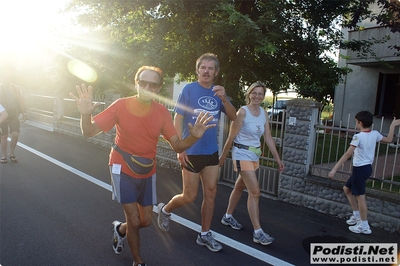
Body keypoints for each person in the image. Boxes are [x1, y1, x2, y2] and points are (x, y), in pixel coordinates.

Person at [70, 66, 215, 266]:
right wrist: (85, 114)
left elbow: (177, 145)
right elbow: (89, 131)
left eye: (153, 84)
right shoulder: (120, 105)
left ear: (159, 88)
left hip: (147, 170)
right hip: (121, 166)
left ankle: (120, 229)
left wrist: (193, 137)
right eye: (143, 83)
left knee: (145, 221)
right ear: (136, 83)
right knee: (135, 221)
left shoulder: (162, 112)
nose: (147, 87)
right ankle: (138, 261)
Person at [157, 53, 237, 252]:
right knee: (189, 196)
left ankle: (204, 234)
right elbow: (178, 119)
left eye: (211, 68)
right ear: (198, 70)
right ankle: (165, 210)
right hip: (191, 151)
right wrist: (180, 148)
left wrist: (224, 99)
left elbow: (234, 116)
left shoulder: (219, 93)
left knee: (211, 194)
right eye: (203, 68)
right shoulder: (189, 89)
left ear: (216, 72)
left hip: (211, 153)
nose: (207, 71)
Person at [218, 81, 284, 245]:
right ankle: (258, 232)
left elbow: (268, 138)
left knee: (240, 187)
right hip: (241, 154)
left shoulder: (263, 113)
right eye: (254, 93)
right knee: (255, 192)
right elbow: (231, 137)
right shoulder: (242, 112)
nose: (257, 96)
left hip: (254, 155)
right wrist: (222, 157)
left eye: (260, 94)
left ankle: (227, 217)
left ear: (263, 96)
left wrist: (278, 159)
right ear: (249, 94)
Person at [328, 111, 400, 234]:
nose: (356, 124)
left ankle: (364, 225)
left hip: (360, 170)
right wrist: (392, 125)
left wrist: (334, 169)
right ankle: (356, 215)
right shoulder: (375, 134)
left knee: (361, 197)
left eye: (356, 122)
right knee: (347, 188)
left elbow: (348, 154)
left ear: (360, 123)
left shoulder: (358, 137)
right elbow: (389, 139)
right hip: (366, 168)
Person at [0, 71, 26, 163]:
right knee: (4, 136)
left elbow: (20, 100)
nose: (6, 80)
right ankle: (3, 155)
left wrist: (24, 113)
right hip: (2, 114)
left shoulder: (15, 88)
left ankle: (11, 152)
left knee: (15, 134)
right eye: (4, 78)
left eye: (8, 78)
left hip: (14, 114)